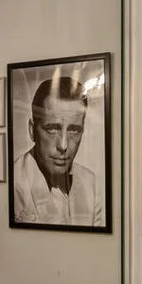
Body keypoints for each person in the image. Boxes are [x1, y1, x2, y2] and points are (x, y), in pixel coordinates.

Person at [12, 76, 104, 226]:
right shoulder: (13, 181)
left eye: (74, 130)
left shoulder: (90, 182)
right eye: (52, 129)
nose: (63, 145)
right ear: (32, 130)